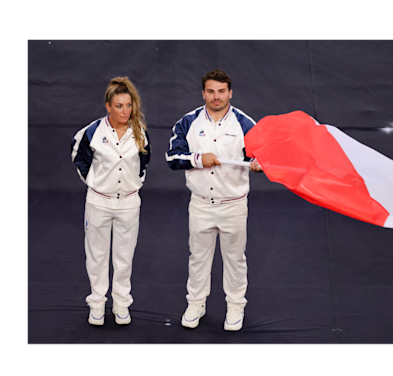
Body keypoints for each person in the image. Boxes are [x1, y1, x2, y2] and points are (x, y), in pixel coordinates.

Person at [166, 69, 261, 331]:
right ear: (203, 93)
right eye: (210, 91)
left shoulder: (245, 124)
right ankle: (196, 303)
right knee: (197, 258)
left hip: (233, 205)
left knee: (235, 258)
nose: (216, 96)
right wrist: (198, 158)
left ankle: (235, 306)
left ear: (230, 93)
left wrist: (258, 164)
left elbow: (262, 157)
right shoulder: (188, 122)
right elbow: (172, 158)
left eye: (221, 91)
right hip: (200, 205)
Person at [71, 77, 151, 326]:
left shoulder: (140, 132)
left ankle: (121, 303)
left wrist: (131, 185)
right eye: (119, 106)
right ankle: (96, 303)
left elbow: (143, 164)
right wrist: (96, 184)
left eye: (128, 105)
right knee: (97, 255)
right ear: (108, 106)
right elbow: (79, 159)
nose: (124, 111)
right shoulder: (92, 132)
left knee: (124, 257)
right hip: (99, 203)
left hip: (128, 203)